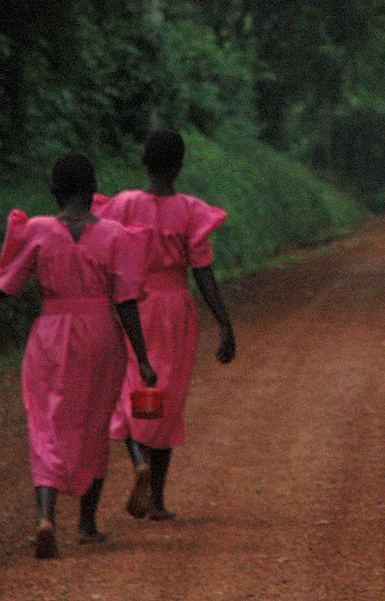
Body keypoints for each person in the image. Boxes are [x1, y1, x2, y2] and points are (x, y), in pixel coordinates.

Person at [0, 152, 158, 556]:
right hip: (102, 336)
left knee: (45, 422)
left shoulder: (36, 230)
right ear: (94, 190)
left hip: (51, 335)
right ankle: (87, 523)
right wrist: (142, 357)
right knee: (94, 421)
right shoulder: (116, 235)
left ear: (54, 191)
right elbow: (125, 302)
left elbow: (6, 285)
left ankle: (46, 517)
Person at [101, 130, 237, 521]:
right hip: (175, 309)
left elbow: (98, 245)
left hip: (133, 306)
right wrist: (225, 324)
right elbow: (204, 273)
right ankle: (157, 499)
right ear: (180, 166)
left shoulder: (123, 204)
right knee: (167, 399)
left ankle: (137, 460)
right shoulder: (192, 210)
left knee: (131, 388)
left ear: (143, 162)